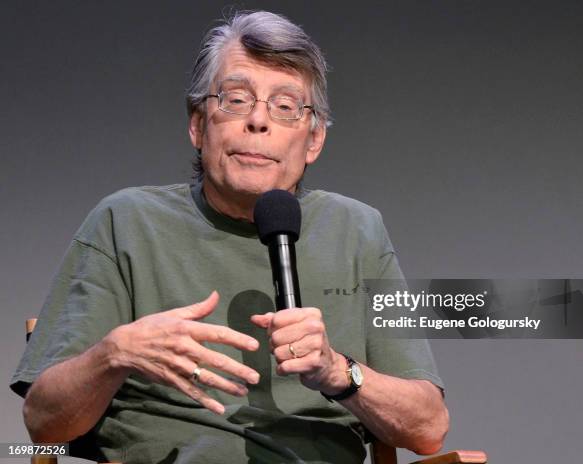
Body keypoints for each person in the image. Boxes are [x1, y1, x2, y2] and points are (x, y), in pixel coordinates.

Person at [11, 11, 449, 464]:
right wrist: (115, 353)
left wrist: (338, 372)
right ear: (199, 126)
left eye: (284, 107)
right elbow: (44, 426)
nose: (258, 121)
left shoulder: (358, 230)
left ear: (313, 140)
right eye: (236, 99)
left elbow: (428, 427)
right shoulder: (125, 222)